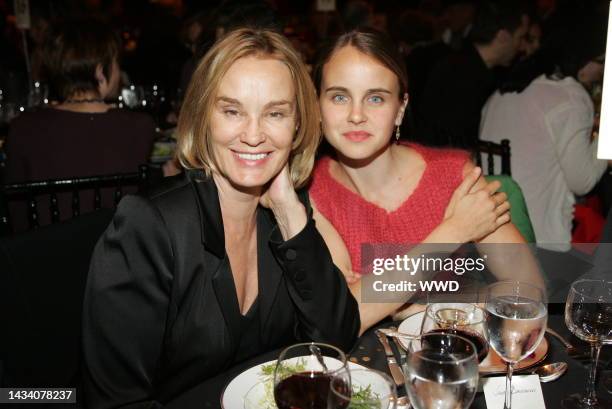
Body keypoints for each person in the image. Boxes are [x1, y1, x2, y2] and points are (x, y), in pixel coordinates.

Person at [82, 28, 360, 408]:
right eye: (232, 111)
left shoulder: (285, 214)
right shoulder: (150, 227)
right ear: (203, 117)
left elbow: (334, 341)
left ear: (297, 126)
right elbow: (118, 402)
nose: (253, 134)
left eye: (275, 113)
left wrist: (292, 215)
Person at [309, 28, 544, 334]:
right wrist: (455, 230)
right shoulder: (313, 194)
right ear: (317, 106)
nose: (356, 115)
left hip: (458, 361)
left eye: (376, 98)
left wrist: (421, 305)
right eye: (340, 96)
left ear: (400, 109)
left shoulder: (453, 175)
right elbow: (344, 318)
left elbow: (530, 291)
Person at [3, 19, 155, 231]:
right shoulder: (140, 126)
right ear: (100, 72)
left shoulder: (23, 128)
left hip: (42, 255)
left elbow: (15, 210)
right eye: (117, 63)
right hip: (118, 255)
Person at [480, 18, 608, 253]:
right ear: (583, 61)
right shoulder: (569, 96)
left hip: (494, 235)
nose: (603, 71)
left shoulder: (505, 88)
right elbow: (584, 181)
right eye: (602, 62)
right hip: (542, 244)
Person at [414, 0, 530, 148]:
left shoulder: (468, 67)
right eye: (520, 37)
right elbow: (450, 140)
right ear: (502, 36)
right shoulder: (459, 75)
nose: (523, 46)